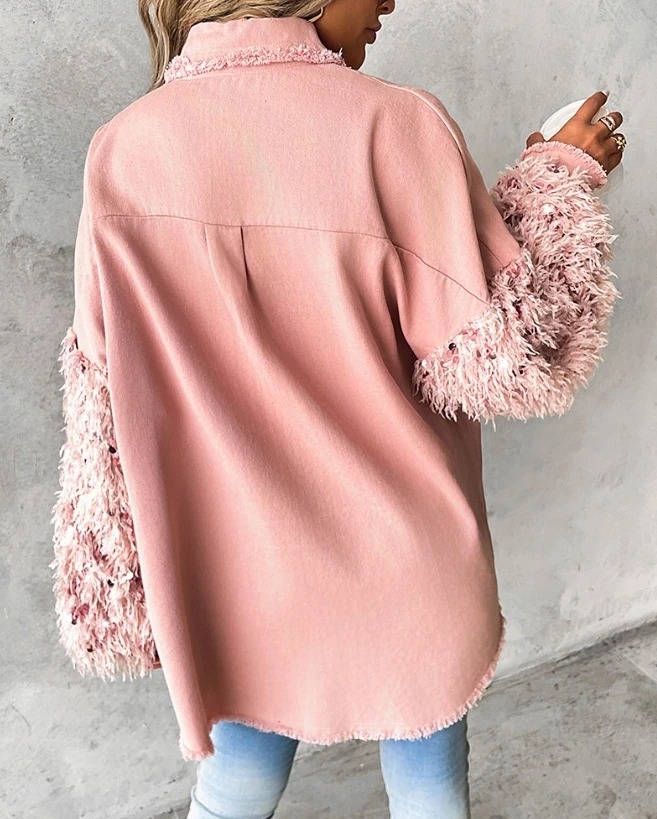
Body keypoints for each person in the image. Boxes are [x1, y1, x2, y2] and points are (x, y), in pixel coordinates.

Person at [49, 0, 625, 817]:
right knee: (429, 791)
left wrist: (120, 584)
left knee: (235, 787)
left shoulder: (122, 152)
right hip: (406, 564)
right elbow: (512, 355)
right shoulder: (396, 126)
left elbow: (103, 405)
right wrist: (558, 177)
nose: (388, 2)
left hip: (236, 571)